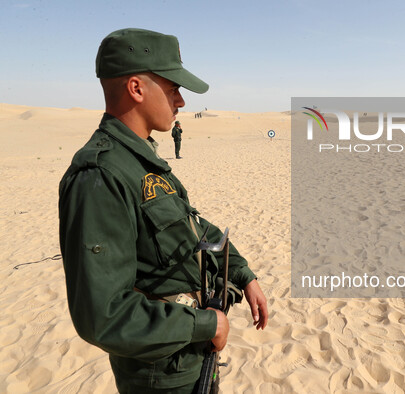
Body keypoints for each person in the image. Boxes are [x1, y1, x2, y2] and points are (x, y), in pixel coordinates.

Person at [58, 28, 268, 393]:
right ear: (137, 89)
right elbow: (101, 315)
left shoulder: (142, 161)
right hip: (161, 376)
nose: (181, 101)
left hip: (191, 359)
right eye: (173, 89)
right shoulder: (101, 176)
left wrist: (244, 274)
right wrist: (207, 326)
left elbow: (193, 228)